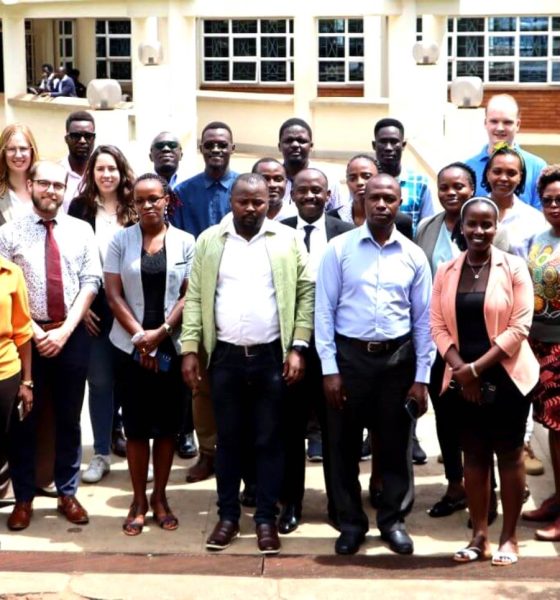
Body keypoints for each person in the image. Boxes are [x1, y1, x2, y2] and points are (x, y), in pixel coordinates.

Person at [181, 173, 314, 555]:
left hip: (272, 356)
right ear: (231, 202)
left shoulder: (286, 240)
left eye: (259, 201)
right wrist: (190, 348)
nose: (252, 208)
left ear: (269, 202)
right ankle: (227, 517)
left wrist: (298, 347)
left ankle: (266, 520)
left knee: (269, 441)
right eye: (244, 201)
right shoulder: (210, 241)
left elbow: (306, 291)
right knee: (229, 441)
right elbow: (195, 299)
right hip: (225, 357)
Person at [315, 173, 433, 556]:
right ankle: (350, 522)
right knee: (342, 446)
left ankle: (392, 521)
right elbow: (324, 313)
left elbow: (423, 321)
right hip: (349, 360)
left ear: (400, 204)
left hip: (397, 361)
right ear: (362, 201)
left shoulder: (413, 255)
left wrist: (421, 378)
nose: (382, 205)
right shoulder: (339, 249)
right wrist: (330, 370)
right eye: (375, 198)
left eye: (390, 199)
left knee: (396, 445)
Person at [431, 197, 539, 566]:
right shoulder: (446, 270)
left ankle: (509, 538)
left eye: (486, 225)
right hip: (462, 378)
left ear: (496, 228)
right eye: (471, 224)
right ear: (461, 228)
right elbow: (437, 326)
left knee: (509, 456)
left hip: (506, 377)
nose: (479, 231)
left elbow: (520, 326)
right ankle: (479, 536)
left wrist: (476, 369)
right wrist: (462, 369)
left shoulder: (514, 268)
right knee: (473, 456)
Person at [0, 160, 101, 531]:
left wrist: (64, 331)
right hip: (26, 340)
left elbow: (91, 280)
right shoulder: (9, 233)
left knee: (70, 418)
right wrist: (37, 333)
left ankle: (67, 491)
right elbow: (5, 291)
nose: (51, 191)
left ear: (66, 190)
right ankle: (24, 497)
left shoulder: (81, 230)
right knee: (23, 420)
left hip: (70, 337)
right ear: (30, 185)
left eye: (58, 185)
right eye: (44, 184)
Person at [104, 173, 195, 535]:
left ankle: (160, 497)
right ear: (133, 204)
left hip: (170, 346)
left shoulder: (187, 242)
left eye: (154, 198)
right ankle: (139, 500)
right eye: (140, 200)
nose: (147, 205)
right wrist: (142, 337)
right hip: (129, 347)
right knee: (138, 427)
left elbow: (191, 294)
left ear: (167, 200)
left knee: (168, 427)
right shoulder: (119, 241)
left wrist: (161, 334)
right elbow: (113, 295)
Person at [279, 168, 353, 533]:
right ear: (292, 194)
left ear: (329, 196)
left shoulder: (347, 235)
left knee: (335, 433)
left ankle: (338, 505)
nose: (310, 196)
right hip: (290, 350)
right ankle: (291, 503)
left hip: (336, 352)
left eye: (317, 191)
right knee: (291, 432)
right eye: (303, 190)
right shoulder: (277, 231)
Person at [171, 121, 239, 483]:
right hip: (197, 292)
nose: (216, 150)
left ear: (232, 147)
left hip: (238, 292)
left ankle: (237, 455)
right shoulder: (184, 192)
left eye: (222, 144)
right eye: (209, 144)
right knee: (202, 386)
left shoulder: (243, 185)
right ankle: (207, 453)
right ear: (200, 148)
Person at [68, 145, 136, 483]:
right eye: (100, 169)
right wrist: (79, 311)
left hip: (133, 312)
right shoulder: (79, 209)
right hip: (94, 313)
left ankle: (141, 451)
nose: (106, 175)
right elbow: (71, 263)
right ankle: (101, 454)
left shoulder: (136, 207)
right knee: (99, 382)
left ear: (122, 172)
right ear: (91, 174)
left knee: (135, 384)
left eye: (112, 168)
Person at [482, 143, 547, 479]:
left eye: (512, 173)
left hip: (520, 328)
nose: (503, 178)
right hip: (478, 327)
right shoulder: (475, 211)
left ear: (520, 179)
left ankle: (515, 476)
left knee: (513, 408)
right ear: (487, 175)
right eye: (497, 171)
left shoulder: (534, 221)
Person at [415, 162, 476, 518]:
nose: (451, 193)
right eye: (444, 187)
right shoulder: (427, 227)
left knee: (478, 420)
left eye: (459, 186)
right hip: (438, 343)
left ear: (472, 187)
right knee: (447, 418)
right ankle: (455, 485)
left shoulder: (487, 227)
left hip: (479, 344)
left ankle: (485, 489)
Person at [522, 165, 560, 541]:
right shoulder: (537, 240)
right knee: (550, 429)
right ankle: (556, 501)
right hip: (539, 347)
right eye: (548, 199)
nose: (554, 205)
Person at [465, 94, 546, 209]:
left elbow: (542, 217)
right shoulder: (467, 167)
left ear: (517, 124)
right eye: (494, 121)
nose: (500, 128)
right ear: (485, 123)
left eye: (507, 122)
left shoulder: (537, 167)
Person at [0, 255, 33, 497]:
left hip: (6, 371)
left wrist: (27, 381)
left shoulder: (11, 273)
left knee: (13, 441)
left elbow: (22, 331)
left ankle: (21, 498)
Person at [372, 118, 435, 232]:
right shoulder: (366, 182)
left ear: (403, 145)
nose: (388, 148)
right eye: (383, 142)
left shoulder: (420, 183)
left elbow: (427, 226)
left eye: (394, 142)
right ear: (374, 145)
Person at [277, 118, 343, 217]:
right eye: (289, 140)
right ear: (279, 146)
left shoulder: (329, 180)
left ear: (311, 146)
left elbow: (339, 217)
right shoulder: (270, 180)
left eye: (301, 141)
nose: (295, 145)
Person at [0, 124, 39, 225]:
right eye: (11, 149)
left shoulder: (46, 187)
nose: (18, 155)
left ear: (32, 150)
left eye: (23, 148)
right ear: (3, 152)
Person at [60, 111, 96, 211]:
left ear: (94, 139)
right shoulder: (56, 173)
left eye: (88, 136)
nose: (82, 141)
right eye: (76, 136)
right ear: (66, 139)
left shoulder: (102, 174)